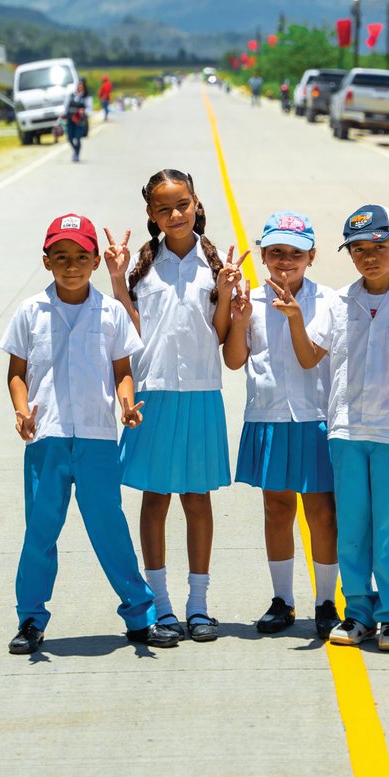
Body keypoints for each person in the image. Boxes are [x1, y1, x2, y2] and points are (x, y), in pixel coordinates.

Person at [271, 204, 389, 653]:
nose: (368, 257)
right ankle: (357, 614)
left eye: (378, 246)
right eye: (357, 250)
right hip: (347, 431)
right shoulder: (340, 300)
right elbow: (309, 357)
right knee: (351, 526)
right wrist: (295, 319)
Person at [0, 213, 180, 656]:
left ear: (96, 261)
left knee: (109, 528)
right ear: (46, 262)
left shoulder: (111, 312)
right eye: (61, 257)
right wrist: (22, 412)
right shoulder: (30, 311)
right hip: (48, 438)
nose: (71, 265)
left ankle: (141, 614)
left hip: (98, 438)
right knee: (40, 531)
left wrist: (126, 404)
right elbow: (17, 373)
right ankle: (30, 618)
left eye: (81, 256)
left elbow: (123, 370)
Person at [104, 169, 245, 643]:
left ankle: (198, 605)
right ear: (150, 214)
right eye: (163, 208)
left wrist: (226, 293)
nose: (175, 214)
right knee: (155, 498)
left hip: (202, 393)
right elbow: (131, 331)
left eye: (182, 204)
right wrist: (118, 281)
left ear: (196, 202)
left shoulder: (216, 262)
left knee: (198, 498)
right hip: (153, 393)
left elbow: (223, 333)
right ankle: (161, 606)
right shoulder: (145, 266)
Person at [223, 212, 340, 639]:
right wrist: (237, 318)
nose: (285, 261)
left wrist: (293, 316)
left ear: (311, 255)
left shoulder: (328, 301)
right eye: (276, 253)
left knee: (322, 513)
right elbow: (235, 360)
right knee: (276, 508)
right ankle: (282, 600)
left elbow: (314, 357)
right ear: (263, 255)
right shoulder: (249, 300)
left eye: (295, 253)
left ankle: (327, 600)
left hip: (315, 417)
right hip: (268, 415)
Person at [65, 78, 91, 162]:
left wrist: (83, 112)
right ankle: (75, 150)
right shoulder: (72, 95)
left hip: (80, 121)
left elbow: (89, 109)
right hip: (70, 119)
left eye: (81, 85)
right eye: (78, 85)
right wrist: (63, 115)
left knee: (77, 138)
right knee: (69, 138)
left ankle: (76, 154)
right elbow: (66, 106)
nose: (80, 87)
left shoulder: (86, 97)